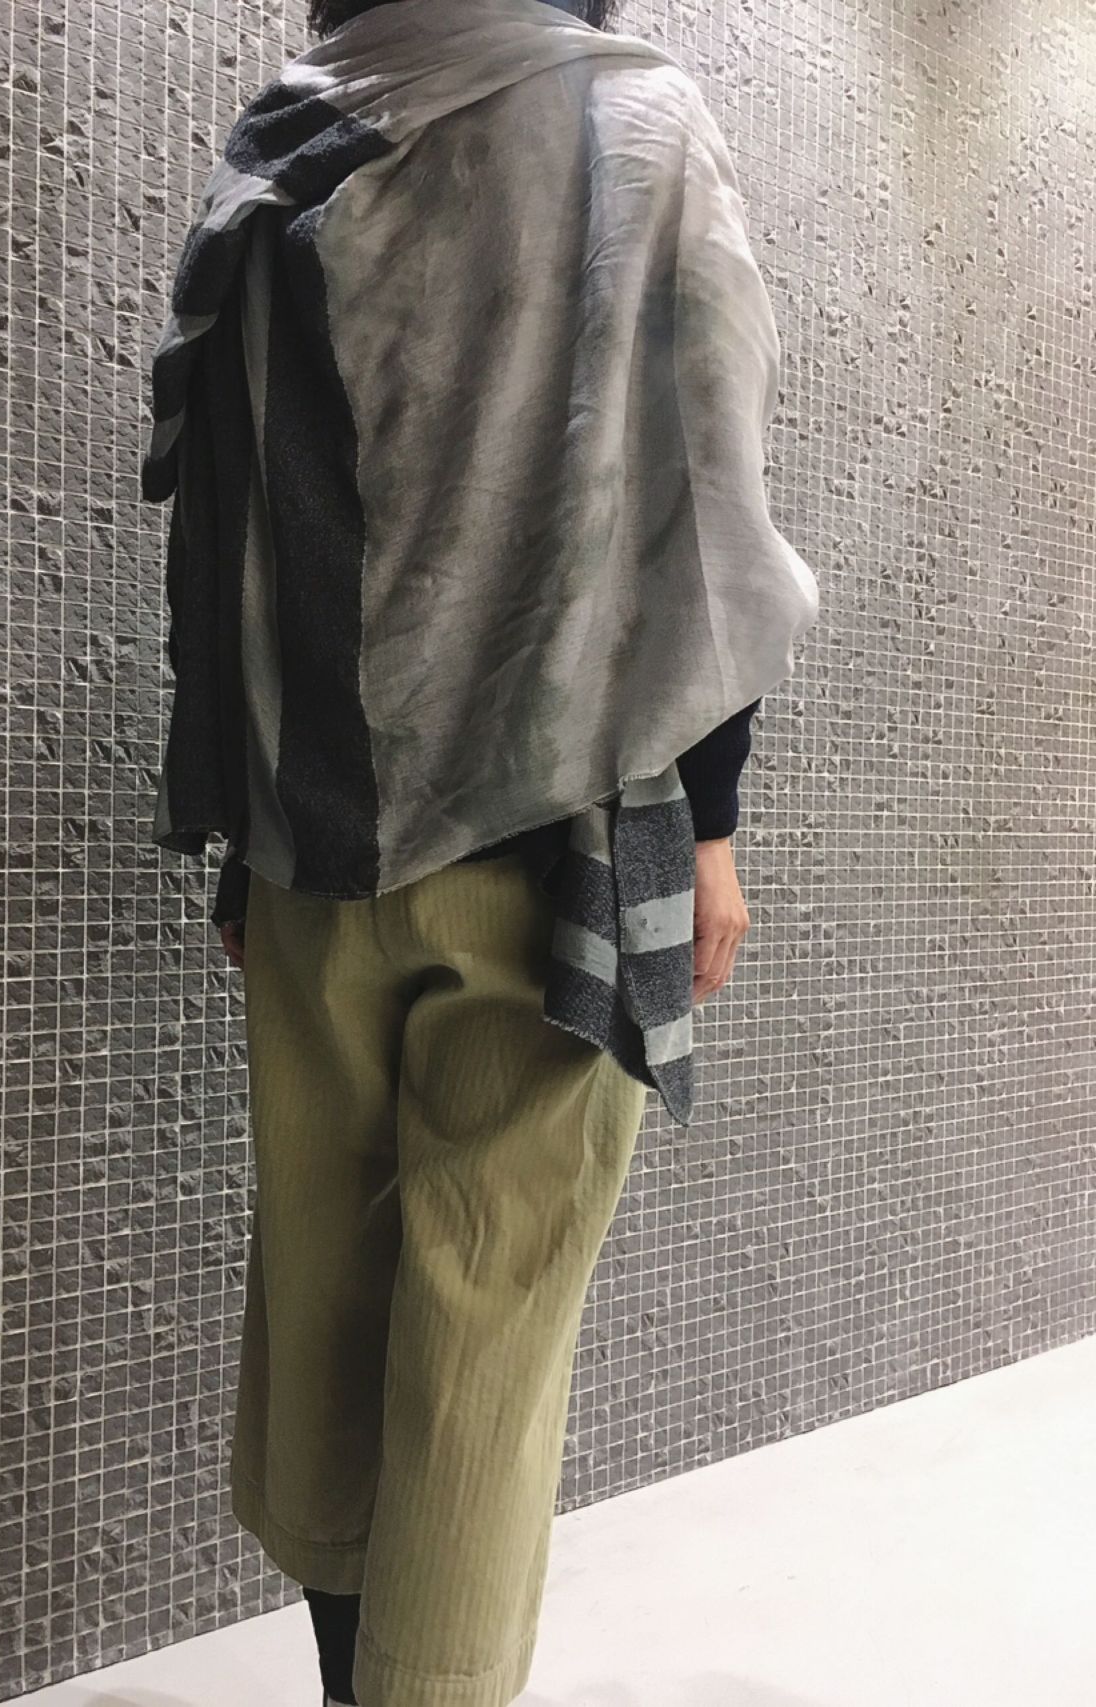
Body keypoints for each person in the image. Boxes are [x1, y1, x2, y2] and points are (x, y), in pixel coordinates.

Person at [140, 1, 818, 1702]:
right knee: (486, 1311)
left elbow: (229, 524)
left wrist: (236, 828)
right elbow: (700, 501)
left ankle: (341, 1674)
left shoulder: (287, 138)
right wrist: (711, 822)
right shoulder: (631, 124)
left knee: (323, 1275)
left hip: (310, 838)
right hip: (557, 838)